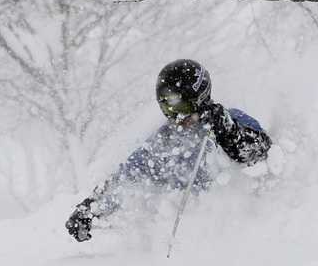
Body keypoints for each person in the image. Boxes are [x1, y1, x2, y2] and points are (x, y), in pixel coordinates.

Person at [65, 59, 272, 242]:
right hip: (185, 240)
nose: (177, 119)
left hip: (233, 233)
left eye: (181, 108)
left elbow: (261, 154)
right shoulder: (165, 139)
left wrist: (227, 131)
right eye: (167, 110)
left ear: (200, 99)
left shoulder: (229, 121)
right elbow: (129, 175)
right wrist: (91, 208)